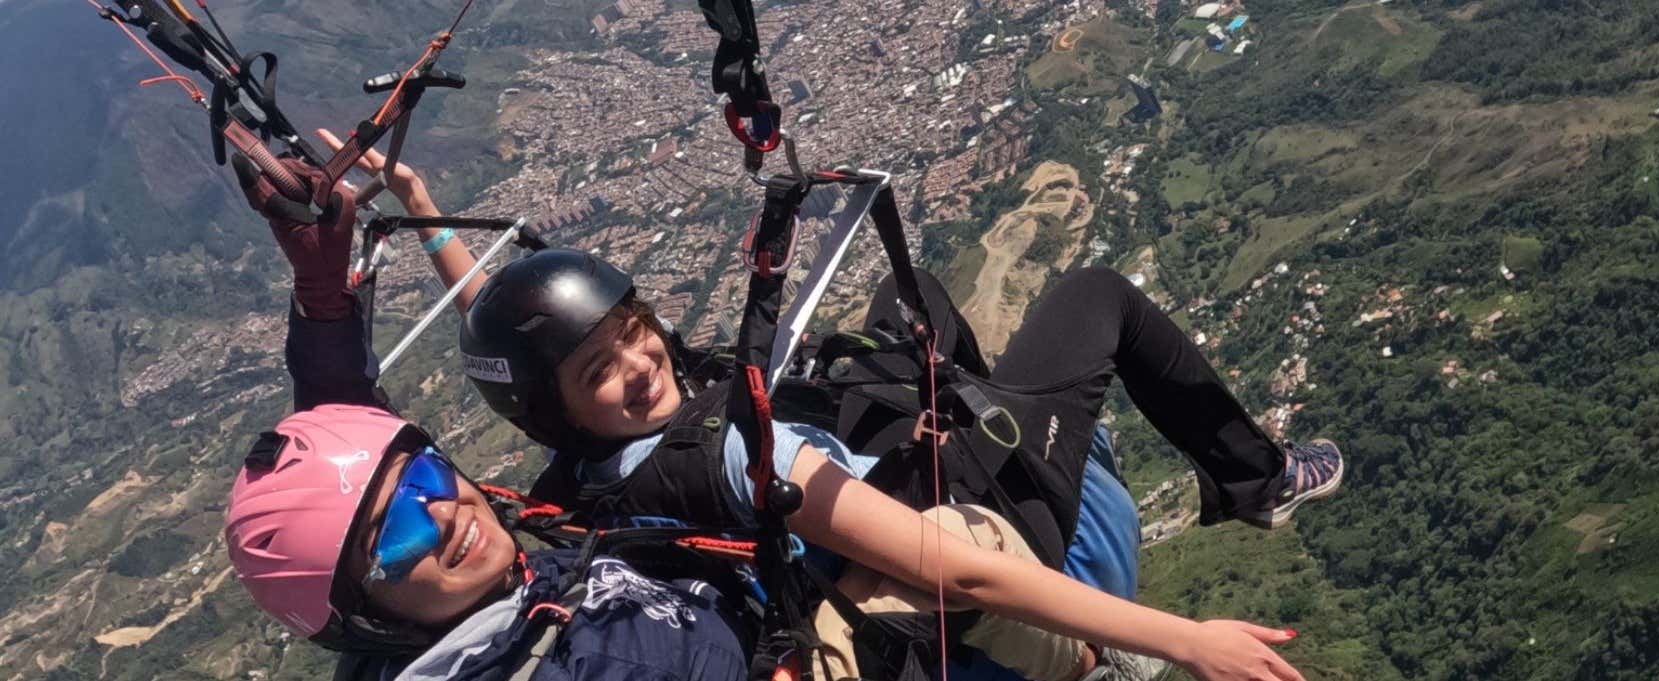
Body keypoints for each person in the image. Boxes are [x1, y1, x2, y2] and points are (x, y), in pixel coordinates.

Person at [329, 132, 1325, 681]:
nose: (641, 361)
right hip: (1006, 557)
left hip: (844, 555)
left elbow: (519, 340)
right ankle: (1257, 481)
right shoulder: (730, 457)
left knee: (911, 304)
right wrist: (1189, 641)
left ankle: (979, 416)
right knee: (1095, 298)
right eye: (605, 371)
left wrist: (425, 217)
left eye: (633, 329)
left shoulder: (577, 481)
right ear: (562, 410)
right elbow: (959, 574)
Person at [223, 159, 751, 680]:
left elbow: (353, 457)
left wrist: (323, 295)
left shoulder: (494, 609)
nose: (444, 513)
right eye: (397, 531)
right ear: (364, 615)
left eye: (426, 474)